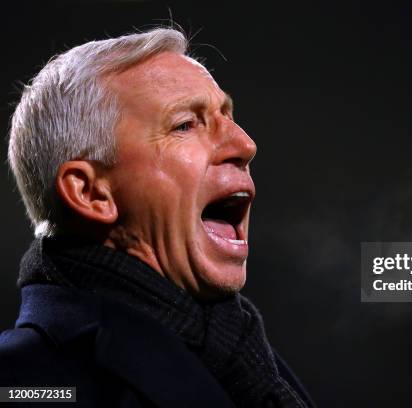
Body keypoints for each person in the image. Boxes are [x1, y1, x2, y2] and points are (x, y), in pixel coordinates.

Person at [0, 27, 313, 407]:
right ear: (90, 192)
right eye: (185, 125)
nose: (246, 145)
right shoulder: (24, 382)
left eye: (228, 118)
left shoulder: (248, 360)